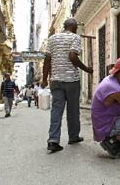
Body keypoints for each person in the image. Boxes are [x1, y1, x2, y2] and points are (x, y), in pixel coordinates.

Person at [42, 18, 93, 153]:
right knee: (73, 110)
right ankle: (73, 136)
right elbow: (72, 56)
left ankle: (53, 140)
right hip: (71, 80)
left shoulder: (52, 39)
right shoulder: (75, 37)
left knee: (56, 110)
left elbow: (47, 59)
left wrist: (44, 79)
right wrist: (86, 69)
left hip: (56, 80)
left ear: (64, 26)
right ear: (74, 27)